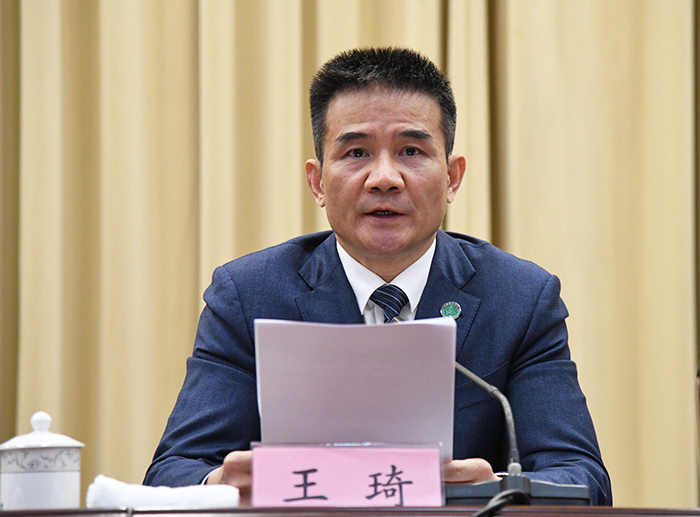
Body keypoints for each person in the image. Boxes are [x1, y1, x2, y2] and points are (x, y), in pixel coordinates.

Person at [144, 47, 612, 505]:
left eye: (411, 150)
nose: (384, 178)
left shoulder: (520, 298)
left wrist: (497, 489)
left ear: (452, 177)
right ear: (317, 182)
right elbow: (173, 472)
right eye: (356, 153)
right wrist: (220, 483)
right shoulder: (249, 295)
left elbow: (582, 479)